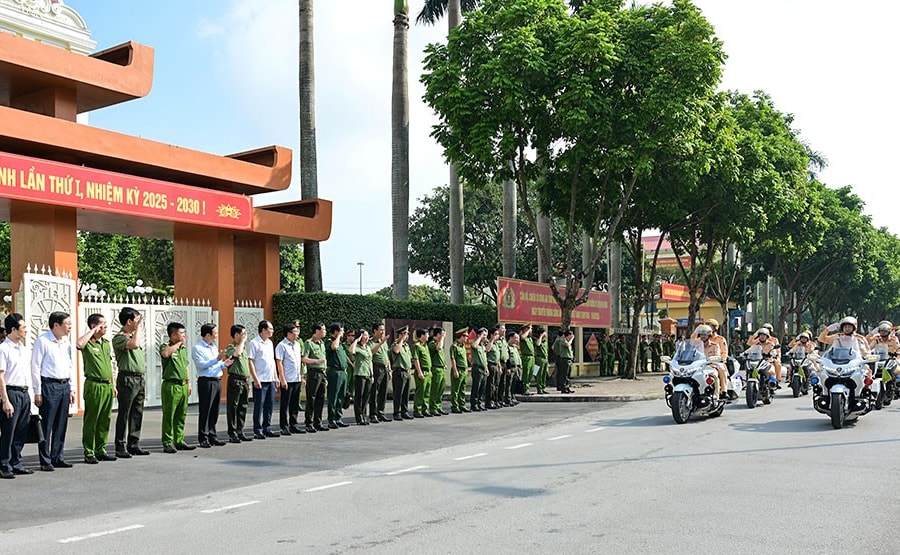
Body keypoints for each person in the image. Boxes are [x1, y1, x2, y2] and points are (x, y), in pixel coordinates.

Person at [33, 311, 75, 471]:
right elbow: (35, 367)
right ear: (56, 325)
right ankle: (45, 459)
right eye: (67, 324)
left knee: (61, 424)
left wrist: (72, 388)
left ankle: (58, 456)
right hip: (49, 385)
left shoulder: (66, 342)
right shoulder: (42, 341)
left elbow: (70, 365)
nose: (69, 327)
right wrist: (37, 391)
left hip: (64, 385)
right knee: (47, 424)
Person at [76, 313, 116, 464]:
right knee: (92, 419)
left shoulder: (105, 343)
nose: (105, 327)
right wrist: (92, 331)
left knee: (105, 419)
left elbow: (109, 366)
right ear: (94, 326)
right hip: (94, 384)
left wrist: (113, 384)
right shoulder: (88, 343)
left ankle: (101, 449)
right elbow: (78, 344)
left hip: (107, 385)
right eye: (102, 324)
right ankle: (89, 451)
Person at [0, 313, 36, 478]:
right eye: (24, 328)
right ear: (13, 329)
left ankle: (16, 462)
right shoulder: (4, 349)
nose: (26, 330)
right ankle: (4, 464)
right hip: (11, 392)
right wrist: (5, 400)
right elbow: (1, 376)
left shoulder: (24, 349)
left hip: (24, 392)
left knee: (21, 430)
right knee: (9, 431)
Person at [113, 307, 150, 458]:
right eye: (137, 320)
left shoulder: (134, 336)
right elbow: (133, 345)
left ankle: (134, 443)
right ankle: (120, 446)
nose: (139, 323)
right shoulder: (120, 337)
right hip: (127, 378)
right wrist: (138, 329)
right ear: (129, 321)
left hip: (139, 378)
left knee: (137, 412)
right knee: (124, 413)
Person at [193, 323, 231, 448]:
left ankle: (212, 435)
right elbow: (202, 365)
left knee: (215, 410)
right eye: (215, 333)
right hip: (206, 382)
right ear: (208, 334)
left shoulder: (213, 347)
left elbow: (216, 365)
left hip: (216, 379)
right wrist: (217, 359)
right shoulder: (198, 348)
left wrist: (224, 364)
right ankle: (203, 437)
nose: (217, 335)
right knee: (205, 410)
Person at [159, 322, 194, 453]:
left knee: (181, 415)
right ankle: (167, 442)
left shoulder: (183, 350)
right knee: (169, 415)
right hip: (171, 385)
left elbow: (185, 367)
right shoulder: (166, 346)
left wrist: (189, 382)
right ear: (173, 335)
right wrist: (179, 343)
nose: (184, 335)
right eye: (182, 333)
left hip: (183, 385)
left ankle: (179, 440)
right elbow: (165, 354)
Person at [248, 320, 279, 439]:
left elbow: (272, 361)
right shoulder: (254, 343)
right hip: (260, 379)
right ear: (263, 330)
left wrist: (276, 377)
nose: (272, 331)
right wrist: (255, 379)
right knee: (258, 406)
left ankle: (267, 427)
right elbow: (250, 361)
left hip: (270, 378)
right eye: (270, 329)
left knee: (269, 405)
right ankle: (257, 429)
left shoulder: (270, 343)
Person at [226, 324, 253, 442]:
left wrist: (249, 381)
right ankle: (232, 433)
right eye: (243, 334)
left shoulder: (244, 348)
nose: (245, 336)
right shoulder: (231, 347)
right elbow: (236, 354)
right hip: (235, 380)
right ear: (236, 335)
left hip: (244, 380)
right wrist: (241, 342)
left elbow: (246, 365)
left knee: (243, 407)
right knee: (233, 407)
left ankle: (240, 431)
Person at [276, 323, 305, 435]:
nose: (297, 334)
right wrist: (282, 379)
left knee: (294, 403)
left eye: (297, 332)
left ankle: (294, 424)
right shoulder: (281, 346)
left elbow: (299, 362)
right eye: (295, 332)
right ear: (288, 333)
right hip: (287, 379)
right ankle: (284, 426)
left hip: (296, 378)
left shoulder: (297, 345)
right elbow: (279, 363)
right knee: (285, 404)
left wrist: (301, 376)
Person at [303, 322, 329, 432]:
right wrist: (317, 361)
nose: (325, 332)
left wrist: (325, 376)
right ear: (317, 331)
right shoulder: (309, 343)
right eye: (323, 329)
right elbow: (304, 358)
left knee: (321, 398)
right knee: (311, 398)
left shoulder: (322, 343)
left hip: (322, 373)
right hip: (313, 372)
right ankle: (309, 422)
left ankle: (318, 421)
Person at [325, 322, 350, 429]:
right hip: (334, 372)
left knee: (341, 396)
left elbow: (344, 356)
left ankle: (338, 418)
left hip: (343, 372)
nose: (343, 333)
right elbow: (333, 347)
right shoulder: (330, 342)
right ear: (335, 332)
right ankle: (331, 419)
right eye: (341, 331)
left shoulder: (340, 344)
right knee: (333, 396)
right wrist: (338, 336)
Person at [694, 324, 729, 399]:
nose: (703, 336)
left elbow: (718, 356)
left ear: (709, 335)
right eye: (701, 334)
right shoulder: (696, 345)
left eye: (705, 334)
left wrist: (719, 359)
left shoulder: (715, 345)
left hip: (710, 367)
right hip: (698, 368)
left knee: (716, 375)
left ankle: (718, 395)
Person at [348, 329, 373, 425]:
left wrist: (372, 374)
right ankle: (359, 417)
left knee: (366, 396)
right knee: (359, 396)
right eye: (364, 335)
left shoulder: (368, 347)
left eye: (367, 335)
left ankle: (363, 414)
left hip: (368, 374)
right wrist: (356, 340)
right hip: (359, 374)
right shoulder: (357, 347)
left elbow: (370, 361)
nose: (367, 337)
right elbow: (351, 351)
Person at [368, 323, 391, 423]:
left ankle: (381, 412)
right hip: (376, 367)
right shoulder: (370, 342)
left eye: (383, 330)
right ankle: (373, 414)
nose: (382, 332)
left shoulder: (384, 342)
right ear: (375, 331)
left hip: (385, 368)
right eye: (380, 330)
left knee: (383, 391)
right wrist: (381, 343)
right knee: (374, 392)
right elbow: (371, 352)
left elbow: (387, 357)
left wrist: (389, 370)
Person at [391, 326, 414, 420]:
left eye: (407, 334)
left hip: (407, 371)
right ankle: (397, 412)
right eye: (405, 334)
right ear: (400, 335)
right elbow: (396, 351)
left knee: (406, 394)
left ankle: (404, 411)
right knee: (398, 394)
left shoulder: (407, 346)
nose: (407, 336)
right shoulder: (395, 344)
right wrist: (401, 340)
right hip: (399, 371)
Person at [411, 328, 433, 417]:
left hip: (428, 371)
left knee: (427, 392)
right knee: (420, 392)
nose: (428, 336)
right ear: (422, 336)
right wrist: (419, 372)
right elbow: (416, 360)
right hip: (422, 371)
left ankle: (425, 409)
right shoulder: (416, 346)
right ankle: (417, 410)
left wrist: (430, 371)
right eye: (426, 334)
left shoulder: (425, 345)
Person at [449, 327, 470, 413]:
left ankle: (462, 405)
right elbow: (453, 359)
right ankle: (455, 406)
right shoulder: (454, 346)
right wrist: (455, 371)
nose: (466, 338)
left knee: (463, 389)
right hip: (458, 369)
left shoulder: (463, 346)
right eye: (465, 336)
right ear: (460, 336)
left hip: (464, 370)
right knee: (455, 390)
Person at [428, 327, 448, 416]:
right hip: (435, 369)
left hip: (442, 369)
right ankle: (433, 408)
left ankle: (438, 406)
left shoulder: (439, 343)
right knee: (435, 390)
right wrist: (442, 338)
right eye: (442, 334)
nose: (444, 336)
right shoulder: (432, 343)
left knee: (441, 389)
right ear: (438, 334)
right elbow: (438, 348)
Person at [469, 328, 489, 411]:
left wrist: (487, 368)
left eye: (486, 335)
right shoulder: (475, 343)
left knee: (482, 388)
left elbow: (484, 358)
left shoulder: (483, 346)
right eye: (484, 335)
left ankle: (479, 403)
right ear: (478, 335)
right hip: (477, 368)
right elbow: (474, 346)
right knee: (476, 387)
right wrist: (479, 337)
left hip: (483, 368)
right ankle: (474, 404)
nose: (485, 337)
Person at [484, 327, 502, 408]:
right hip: (490, 364)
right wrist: (491, 340)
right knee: (490, 384)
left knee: (496, 384)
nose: (497, 336)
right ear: (491, 335)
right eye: (496, 334)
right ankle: (489, 402)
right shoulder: (487, 342)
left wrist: (500, 367)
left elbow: (497, 357)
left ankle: (495, 400)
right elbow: (487, 350)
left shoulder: (496, 344)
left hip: (496, 365)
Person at [553, 329, 575, 393]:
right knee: (564, 374)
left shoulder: (566, 340)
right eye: (571, 335)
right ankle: (563, 388)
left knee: (567, 375)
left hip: (568, 359)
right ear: (568, 335)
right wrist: (571, 339)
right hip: (564, 359)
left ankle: (567, 387)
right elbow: (567, 345)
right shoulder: (563, 340)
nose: (572, 336)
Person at [505, 331, 522, 406]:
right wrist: (508, 368)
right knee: (509, 384)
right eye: (515, 338)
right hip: (511, 367)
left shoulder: (515, 347)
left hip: (516, 367)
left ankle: (512, 396)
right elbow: (507, 358)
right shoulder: (507, 347)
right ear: (510, 338)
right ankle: (508, 399)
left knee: (514, 384)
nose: (517, 340)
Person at [518, 324, 535, 394]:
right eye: (529, 329)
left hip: (532, 357)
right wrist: (527, 330)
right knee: (526, 373)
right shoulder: (522, 337)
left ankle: (527, 388)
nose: (530, 331)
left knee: (531, 373)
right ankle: (524, 388)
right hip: (526, 357)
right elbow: (522, 337)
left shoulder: (530, 338)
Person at [534, 327, 549, 394]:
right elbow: (538, 344)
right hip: (539, 359)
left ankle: (543, 387)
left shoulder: (545, 342)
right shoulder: (536, 340)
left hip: (545, 359)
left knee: (544, 375)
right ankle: (539, 389)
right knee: (538, 375)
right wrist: (541, 336)